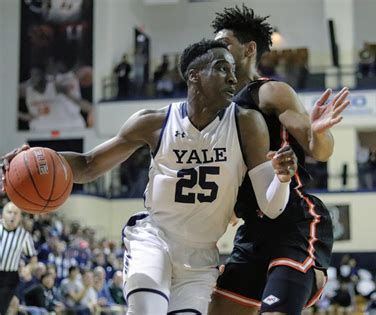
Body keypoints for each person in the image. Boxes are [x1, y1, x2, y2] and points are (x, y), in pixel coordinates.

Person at [2, 39, 297, 315]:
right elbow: (88, 164)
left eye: (233, 71)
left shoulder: (247, 123)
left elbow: (272, 206)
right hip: (154, 239)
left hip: (201, 258)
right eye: (222, 69)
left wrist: (282, 179)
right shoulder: (154, 122)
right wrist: (37, 159)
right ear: (194, 76)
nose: (233, 79)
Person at [209, 5, 349, 314]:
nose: (216, 51)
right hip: (252, 230)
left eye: (225, 44)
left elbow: (320, 150)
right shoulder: (214, 110)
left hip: (293, 222)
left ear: (249, 49)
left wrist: (316, 131)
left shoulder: (271, 93)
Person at [0, 202, 37, 315]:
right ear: (3, 214)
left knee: (2, 309)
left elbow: (33, 258)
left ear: (20, 217)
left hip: (9, 277)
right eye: (9, 212)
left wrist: (28, 268)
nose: (12, 215)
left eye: (16, 213)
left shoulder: (24, 235)